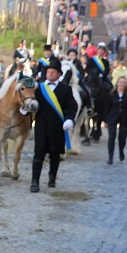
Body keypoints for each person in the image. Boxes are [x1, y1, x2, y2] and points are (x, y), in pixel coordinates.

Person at [29, 56, 77, 192]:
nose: (50, 73)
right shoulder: (39, 88)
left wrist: (70, 119)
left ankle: (52, 178)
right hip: (41, 126)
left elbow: (72, 107)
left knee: (55, 154)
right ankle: (35, 181)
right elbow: (32, 103)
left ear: (59, 74)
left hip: (58, 127)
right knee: (38, 153)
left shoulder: (66, 89)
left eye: (53, 72)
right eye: (48, 71)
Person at [103, 76, 127, 164]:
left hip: (124, 118)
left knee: (122, 138)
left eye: (124, 82)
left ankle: (121, 151)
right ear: (117, 83)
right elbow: (106, 108)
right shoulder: (111, 94)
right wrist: (105, 120)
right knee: (111, 137)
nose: (122, 84)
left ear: (126, 84)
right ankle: (110, 157)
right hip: (112, 117)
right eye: (120, 82)